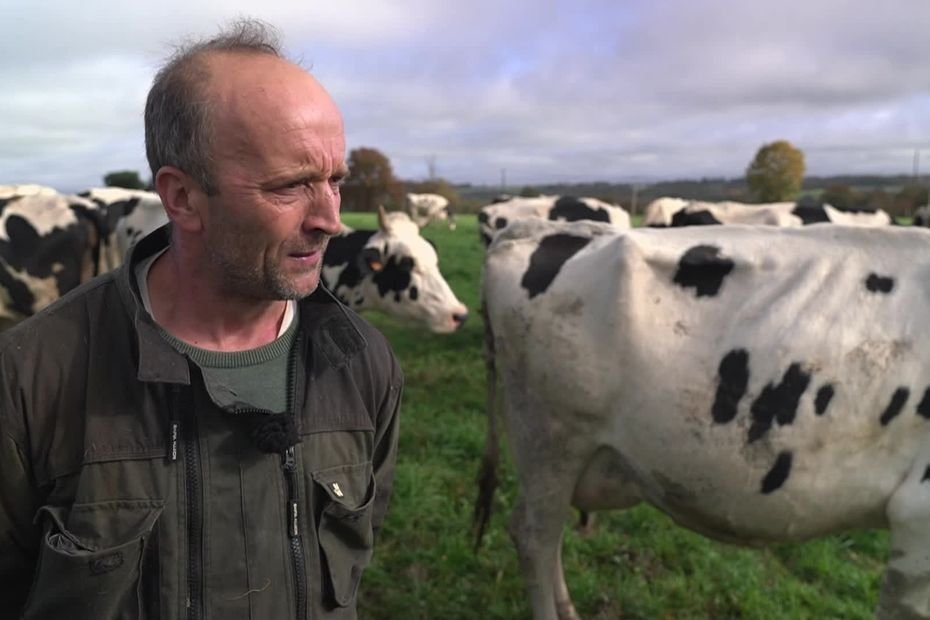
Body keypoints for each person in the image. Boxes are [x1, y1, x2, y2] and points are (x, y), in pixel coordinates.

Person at [0, 18, 403, 619]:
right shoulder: (33, 376)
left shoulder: (360, 363)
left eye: (335, 181)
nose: (330, 219)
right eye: (291, 186)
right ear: (182, 197)